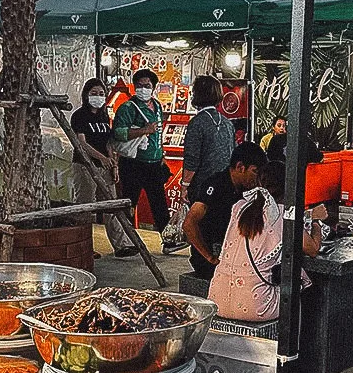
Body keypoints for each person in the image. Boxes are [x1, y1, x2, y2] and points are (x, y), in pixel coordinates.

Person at [209, 160, 321, 322]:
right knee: (298, 294)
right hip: (256, 307)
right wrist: (316, 221)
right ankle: (296, 347)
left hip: (216, 300)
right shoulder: (284, 214)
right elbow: (312, 249)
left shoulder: (239, 207)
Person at [183, 142, 267, 279]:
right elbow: (188, 224)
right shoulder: (214, 184)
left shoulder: (248, 190)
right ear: (240, 167)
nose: (257, 179)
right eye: (255, 172)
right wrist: (210, 257)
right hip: (211, 257)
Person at [72, 78, 135, 257]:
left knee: (110, 205)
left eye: (101, 94)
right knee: (85, 207)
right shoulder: (79, 116)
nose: (98, 97)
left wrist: (111, 161)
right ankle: (84, 247)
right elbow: (81, 143)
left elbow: (108, 141)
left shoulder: (103, 115)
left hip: (104, 166)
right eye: (94, 93)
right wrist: (100, 157)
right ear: (86, 95)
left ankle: (121, 245)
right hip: (85, 165)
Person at [112, 69, 173, 245]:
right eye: (139, 86)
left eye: (147, 86)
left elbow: (158, 133)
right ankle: (127, 241)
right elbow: (118, 133)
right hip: (133, 163)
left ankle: (168, 240)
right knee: (130, 203)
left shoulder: (158, 106)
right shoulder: (127, 108)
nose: (143, 89)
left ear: (153, 87)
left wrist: (161, 153)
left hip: (154, 163)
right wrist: (143, 130)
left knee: (160, 204)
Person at [181, 75, 236, 203]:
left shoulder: (196, 123)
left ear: (197, 94)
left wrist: (185, 185)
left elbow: (192, 158)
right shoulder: (227, 122)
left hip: (202, 187)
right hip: (225, 185)